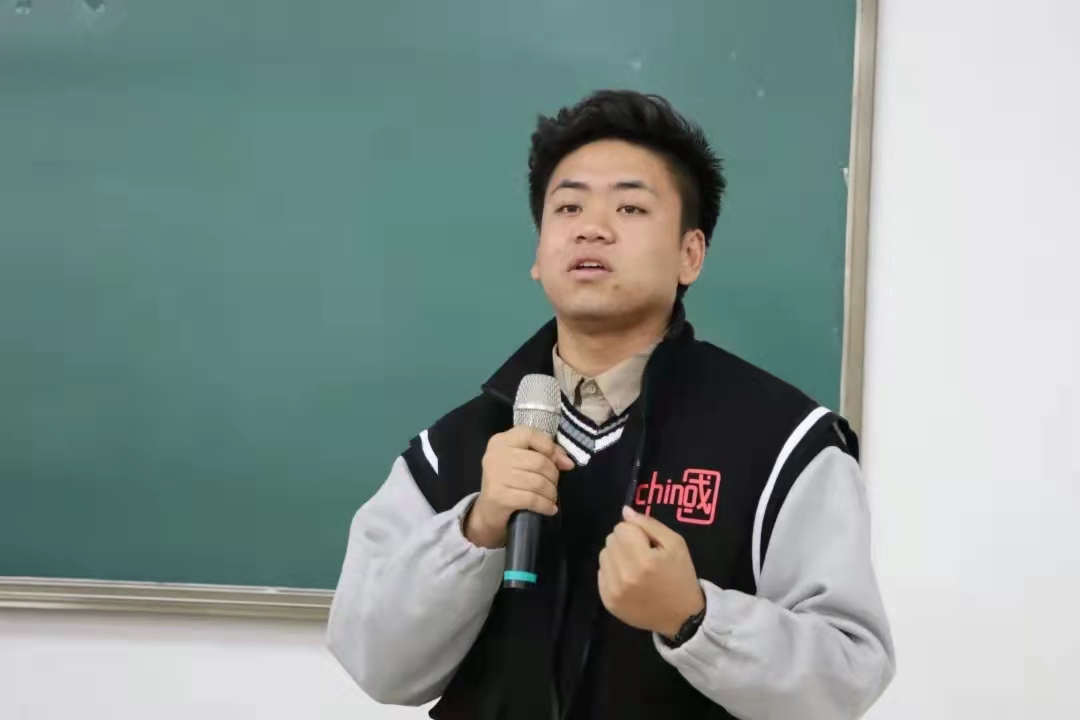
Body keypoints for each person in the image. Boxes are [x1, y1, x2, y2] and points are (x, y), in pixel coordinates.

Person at [327, 89, 895, 719]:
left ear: (690, 255)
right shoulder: (454, 446)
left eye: (630, 206)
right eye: (568, 206)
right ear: (539, 254)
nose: (591, 227)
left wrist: (694, 618)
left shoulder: (784, 442)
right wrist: (476, 530)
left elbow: (848, 677)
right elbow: (376, 664)